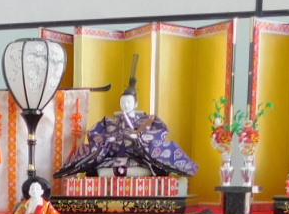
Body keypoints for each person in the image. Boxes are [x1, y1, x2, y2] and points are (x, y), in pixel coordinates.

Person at [56, 72, 197, 179]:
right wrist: (108, 139)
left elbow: (161, 133)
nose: (125, 105)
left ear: (136, 104)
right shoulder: (108, 121)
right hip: (111, 160)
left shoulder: (148, 120)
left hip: (139, 160)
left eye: (129, 102)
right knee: (97, 167)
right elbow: (93, 134)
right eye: (123, 102)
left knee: (149, 167)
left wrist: (140, 137)